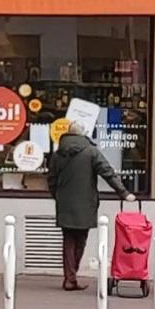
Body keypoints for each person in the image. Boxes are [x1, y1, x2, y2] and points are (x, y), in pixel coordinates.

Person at [45, 117, 126, 293]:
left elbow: (51, 179)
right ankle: (71, 277)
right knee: (80, 239)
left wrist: (57, 196)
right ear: (84, 134)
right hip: (86, 202)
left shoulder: (58, 154)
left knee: (68, 240)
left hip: (64, 202)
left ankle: (69, 277)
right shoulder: (90, 151)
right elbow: (107, 172)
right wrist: (123, 192)